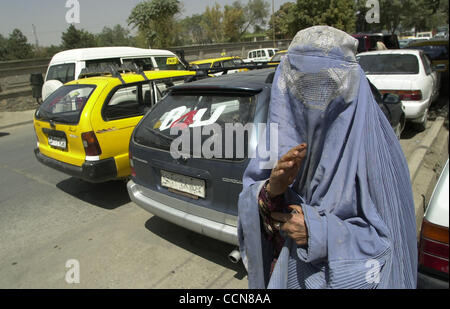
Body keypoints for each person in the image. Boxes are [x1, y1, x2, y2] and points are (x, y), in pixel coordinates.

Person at [237, 26, 417, 289]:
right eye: (300, 85)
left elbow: (393, 247)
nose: (314, 102)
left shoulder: (378, 154)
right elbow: (253, 217)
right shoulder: (275, 143)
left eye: (328, 85)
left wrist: (320, 233)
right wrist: (272, 189)